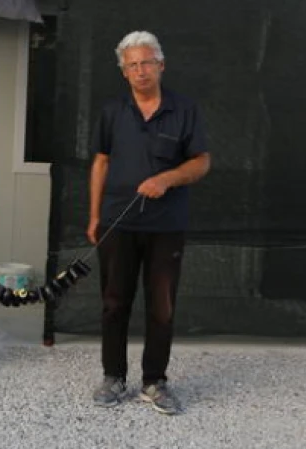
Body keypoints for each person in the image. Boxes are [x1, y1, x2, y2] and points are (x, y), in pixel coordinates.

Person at [87, 31, 210, 415]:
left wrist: (166, 179)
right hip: (117, 222)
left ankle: (154, 382)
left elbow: (201, 162)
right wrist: (94, 216)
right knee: (113, 302)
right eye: (132, 65)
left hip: (166, 225)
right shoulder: (112, 111)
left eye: (147, 63)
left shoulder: (184, 109)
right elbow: (101, 162)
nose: (141, 71)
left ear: (161, 65)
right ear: (124, 72)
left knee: (161, 306)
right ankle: (113, 376)